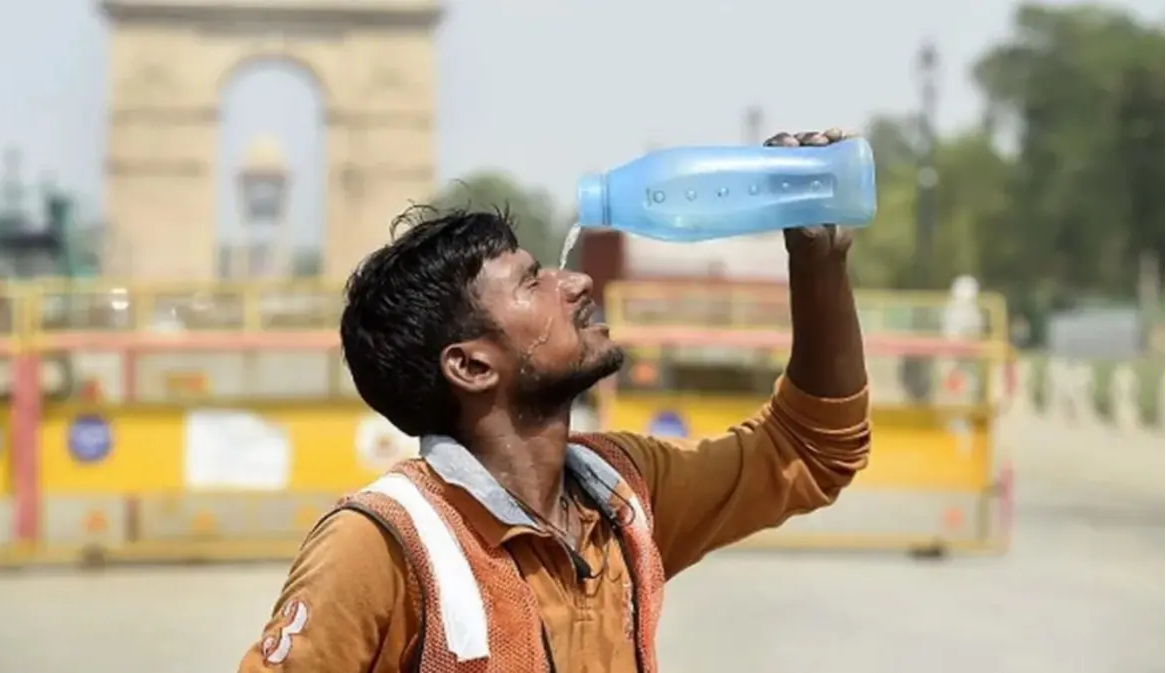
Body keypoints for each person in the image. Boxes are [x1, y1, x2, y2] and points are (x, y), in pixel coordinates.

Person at [238, 129, 871, 673]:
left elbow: (812, 448)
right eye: (532, 281)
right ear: (470, 365)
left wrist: (818, 265)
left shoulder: (624, 495)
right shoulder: (382, 547)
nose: (577, 282)